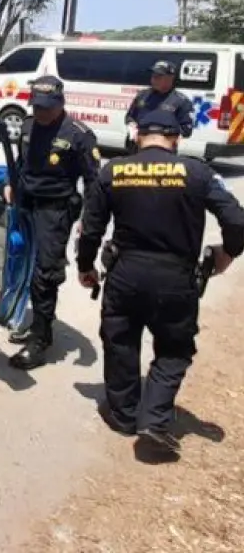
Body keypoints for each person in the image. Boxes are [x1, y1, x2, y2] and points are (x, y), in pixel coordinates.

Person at [76, 109, 244, 454]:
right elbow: (237, 221)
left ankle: (123, 416)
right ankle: (153, 418)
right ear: (175, 139)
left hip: (124, 275)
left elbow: (90, 226)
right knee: (173, 349)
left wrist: (85, 267)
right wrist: (226, 255)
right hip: (175, 278)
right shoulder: (197, 172)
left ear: (137, 135)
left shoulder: (114, 170)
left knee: (120, 341)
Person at [3, 75, 101, 370]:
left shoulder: (78, 135)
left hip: (55, 211)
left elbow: (95, 182)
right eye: (37, 106)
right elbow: (21, 161)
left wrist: (88, 219)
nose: (41, 113)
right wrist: (11, 183)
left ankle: (40, 339)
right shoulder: (29, 125)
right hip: (26, 204)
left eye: (47, 108)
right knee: (19, 265)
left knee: (45, 274)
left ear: (61, 103)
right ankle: (23, 317)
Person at [124, 61, 193, 154]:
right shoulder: (142, 95)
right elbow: (129, 117)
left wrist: (161, 134)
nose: (153, 79)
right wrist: (131, 125)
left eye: (158, 77)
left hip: (164, 150)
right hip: (138, 148)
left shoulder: (181, 101)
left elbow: (186, 130)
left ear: (170, 78)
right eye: (153, 76)